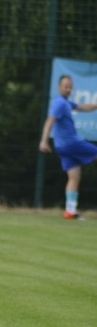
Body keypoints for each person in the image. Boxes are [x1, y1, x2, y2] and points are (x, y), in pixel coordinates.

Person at [39, 74, 97, 220]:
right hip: (71, 143)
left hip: (62, 147)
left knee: (74, 176)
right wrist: (43, 141)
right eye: (66, 86)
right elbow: (49, 121)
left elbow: (83, 107)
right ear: (59, 87)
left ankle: (70, 211)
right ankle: (71, 211)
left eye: (70, 86)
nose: (68, 89)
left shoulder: (65, 103)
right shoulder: (59, 103)